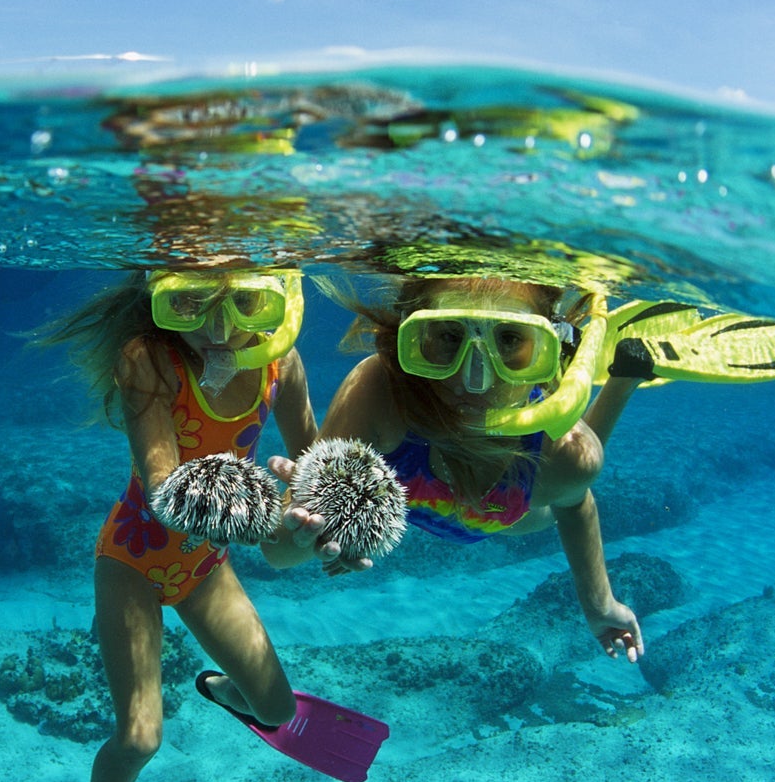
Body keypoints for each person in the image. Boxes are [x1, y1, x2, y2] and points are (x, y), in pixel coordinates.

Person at [36, 267, 318, 782]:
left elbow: (313, 470)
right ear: (161, 298)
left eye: (242, 303)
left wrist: (323, 522)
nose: (217, 328)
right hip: (132, 559)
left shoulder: (283, 363)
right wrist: (267, 520)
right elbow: (165, 488)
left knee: (278, 711)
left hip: (203, 565)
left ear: (274, 297)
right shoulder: (149, 360)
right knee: (139, 739)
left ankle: (217, 688)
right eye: (192, 303)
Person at [270, 273, 648, 662]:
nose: (475, 379)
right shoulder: (382, 395)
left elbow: (575, 506)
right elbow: (277, 554)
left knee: (569, 483)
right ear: (414, 337)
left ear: (547, 347)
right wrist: (306, 531)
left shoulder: (563, 459)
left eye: (509, 339)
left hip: (512, 515)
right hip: (482, 500)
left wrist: (600, 603)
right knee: (571, 476)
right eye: (450, 336)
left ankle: (621, 383)